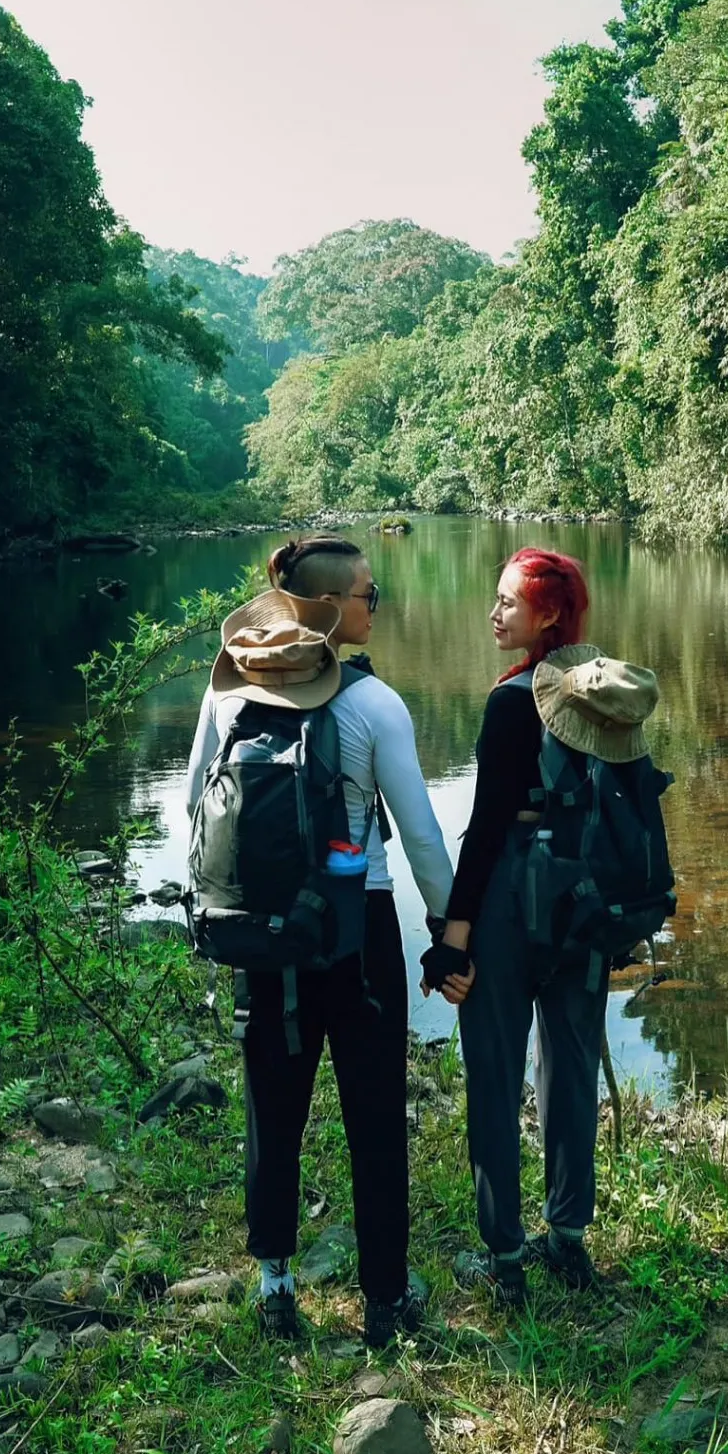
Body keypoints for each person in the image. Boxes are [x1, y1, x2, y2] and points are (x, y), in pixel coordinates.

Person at [185, 535, 453, 1347]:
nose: (380, 604)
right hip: (356, 931)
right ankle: (384, 1299)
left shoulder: (227, 695)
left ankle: (275, 1287)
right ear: (335, 609)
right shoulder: (375, 705)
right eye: (373, 593)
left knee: (273, 1107)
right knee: (375, 1113)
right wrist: (449, 932)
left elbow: (195, 808)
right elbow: (423, 841)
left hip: (264, 935)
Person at [425, 547, 659, 1307]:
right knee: (571, 1066)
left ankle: (505, 1256)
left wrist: (452, 938)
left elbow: (486, 830)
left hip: (511, 901)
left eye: (507, 602)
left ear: (549, 615)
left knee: (494, 1074)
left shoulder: (508, 702)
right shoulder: (602, 696)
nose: (493, 612)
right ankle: (568, 1237)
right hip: (586, 903)